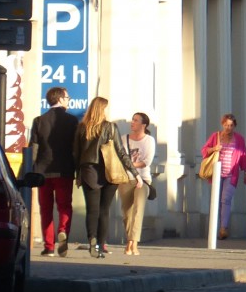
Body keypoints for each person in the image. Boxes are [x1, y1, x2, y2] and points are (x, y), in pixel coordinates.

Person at [73, 96, 137, 258]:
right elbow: (121, 151)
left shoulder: (82, 128)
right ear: (102, 110)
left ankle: (92, 241)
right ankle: (102, 245)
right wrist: (135, 173)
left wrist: (77, 173)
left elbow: (75, 153)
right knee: (104, 210)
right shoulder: (110, 127)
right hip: (110, 172)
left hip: (89, 172)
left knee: (92, 210)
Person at [29, 86, 78, 257]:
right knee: (65, 206)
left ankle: (48, 246)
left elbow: (33, 148)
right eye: (67, 97)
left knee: (45, 209)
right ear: (60, 99)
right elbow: (75, 148)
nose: (68, 100)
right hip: (64, 170)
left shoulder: (39, 120)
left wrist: (31, 169)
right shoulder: (72, 121)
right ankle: (63, 229)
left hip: (43, 172)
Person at [201, 114, 246, 239]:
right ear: (223, 125)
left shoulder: (239, 139)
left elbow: (243, 155)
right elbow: (204, 150)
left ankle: (223, 228)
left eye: (231, 125)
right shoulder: (216, 136)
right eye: (226, 125)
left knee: (225, 199)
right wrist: (214, 148)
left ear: (235, 126)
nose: (228, 127)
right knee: (216, 199)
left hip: (231, 174)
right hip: (216, 173)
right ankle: (214, 228)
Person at [118, 112, 155, 256]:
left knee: (138, 210)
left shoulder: (149, 140)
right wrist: (131, 166)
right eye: (132, 120)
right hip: (126, 179)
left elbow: (146, 161)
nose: (132, 122)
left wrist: (131, 165)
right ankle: (130, 242)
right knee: (127, 212)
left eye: (135, 120)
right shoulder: (124, 139)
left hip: (144, 179)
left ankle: (132, 243)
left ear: (143, 125)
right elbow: (122, 160)